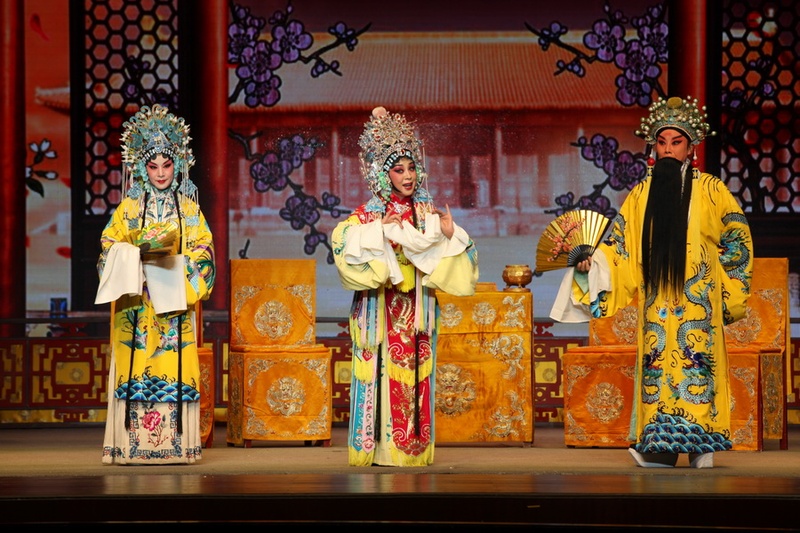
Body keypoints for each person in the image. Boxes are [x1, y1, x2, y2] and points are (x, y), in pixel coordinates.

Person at [550, 96, 753, 469]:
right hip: (657, 303)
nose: (668, 150)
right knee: (657, 369)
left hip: (697, 303)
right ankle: (659, 446)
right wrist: (592, 265)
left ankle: (702, 445)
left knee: (698, 365)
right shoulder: (641, 194)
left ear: (691, 147)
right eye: (662, 143)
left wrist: (721, 288)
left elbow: (738, 240)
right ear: (654, 148)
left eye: (676, 142)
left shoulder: (713, 190)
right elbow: (620, 247)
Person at [332, 106, 479, 466]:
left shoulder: (426, 210)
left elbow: (463, 255)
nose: (408, 175)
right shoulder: (371, 212)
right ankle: (382, 450)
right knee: (381, 376)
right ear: (384, 175)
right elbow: (341, 241)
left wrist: (450, 235)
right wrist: (377, 231)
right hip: (381, 309)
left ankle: (413, 449)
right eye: (399, 169)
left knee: (416, 378)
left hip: (417, 308)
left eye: (411, 167)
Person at [95, 104, 216, 465]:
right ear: (141, 168)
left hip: (173, 303)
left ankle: (176, 447)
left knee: (172, 368)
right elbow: (107, 248)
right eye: (153, 166)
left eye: (166, 165)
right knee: (134, 367)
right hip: (137, 302)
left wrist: (180, 264)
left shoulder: (189, 210)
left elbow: (205, 252)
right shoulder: (129, 209)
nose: (161, 173)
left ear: (177, 165)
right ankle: (129, 448)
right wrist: (134, 256)